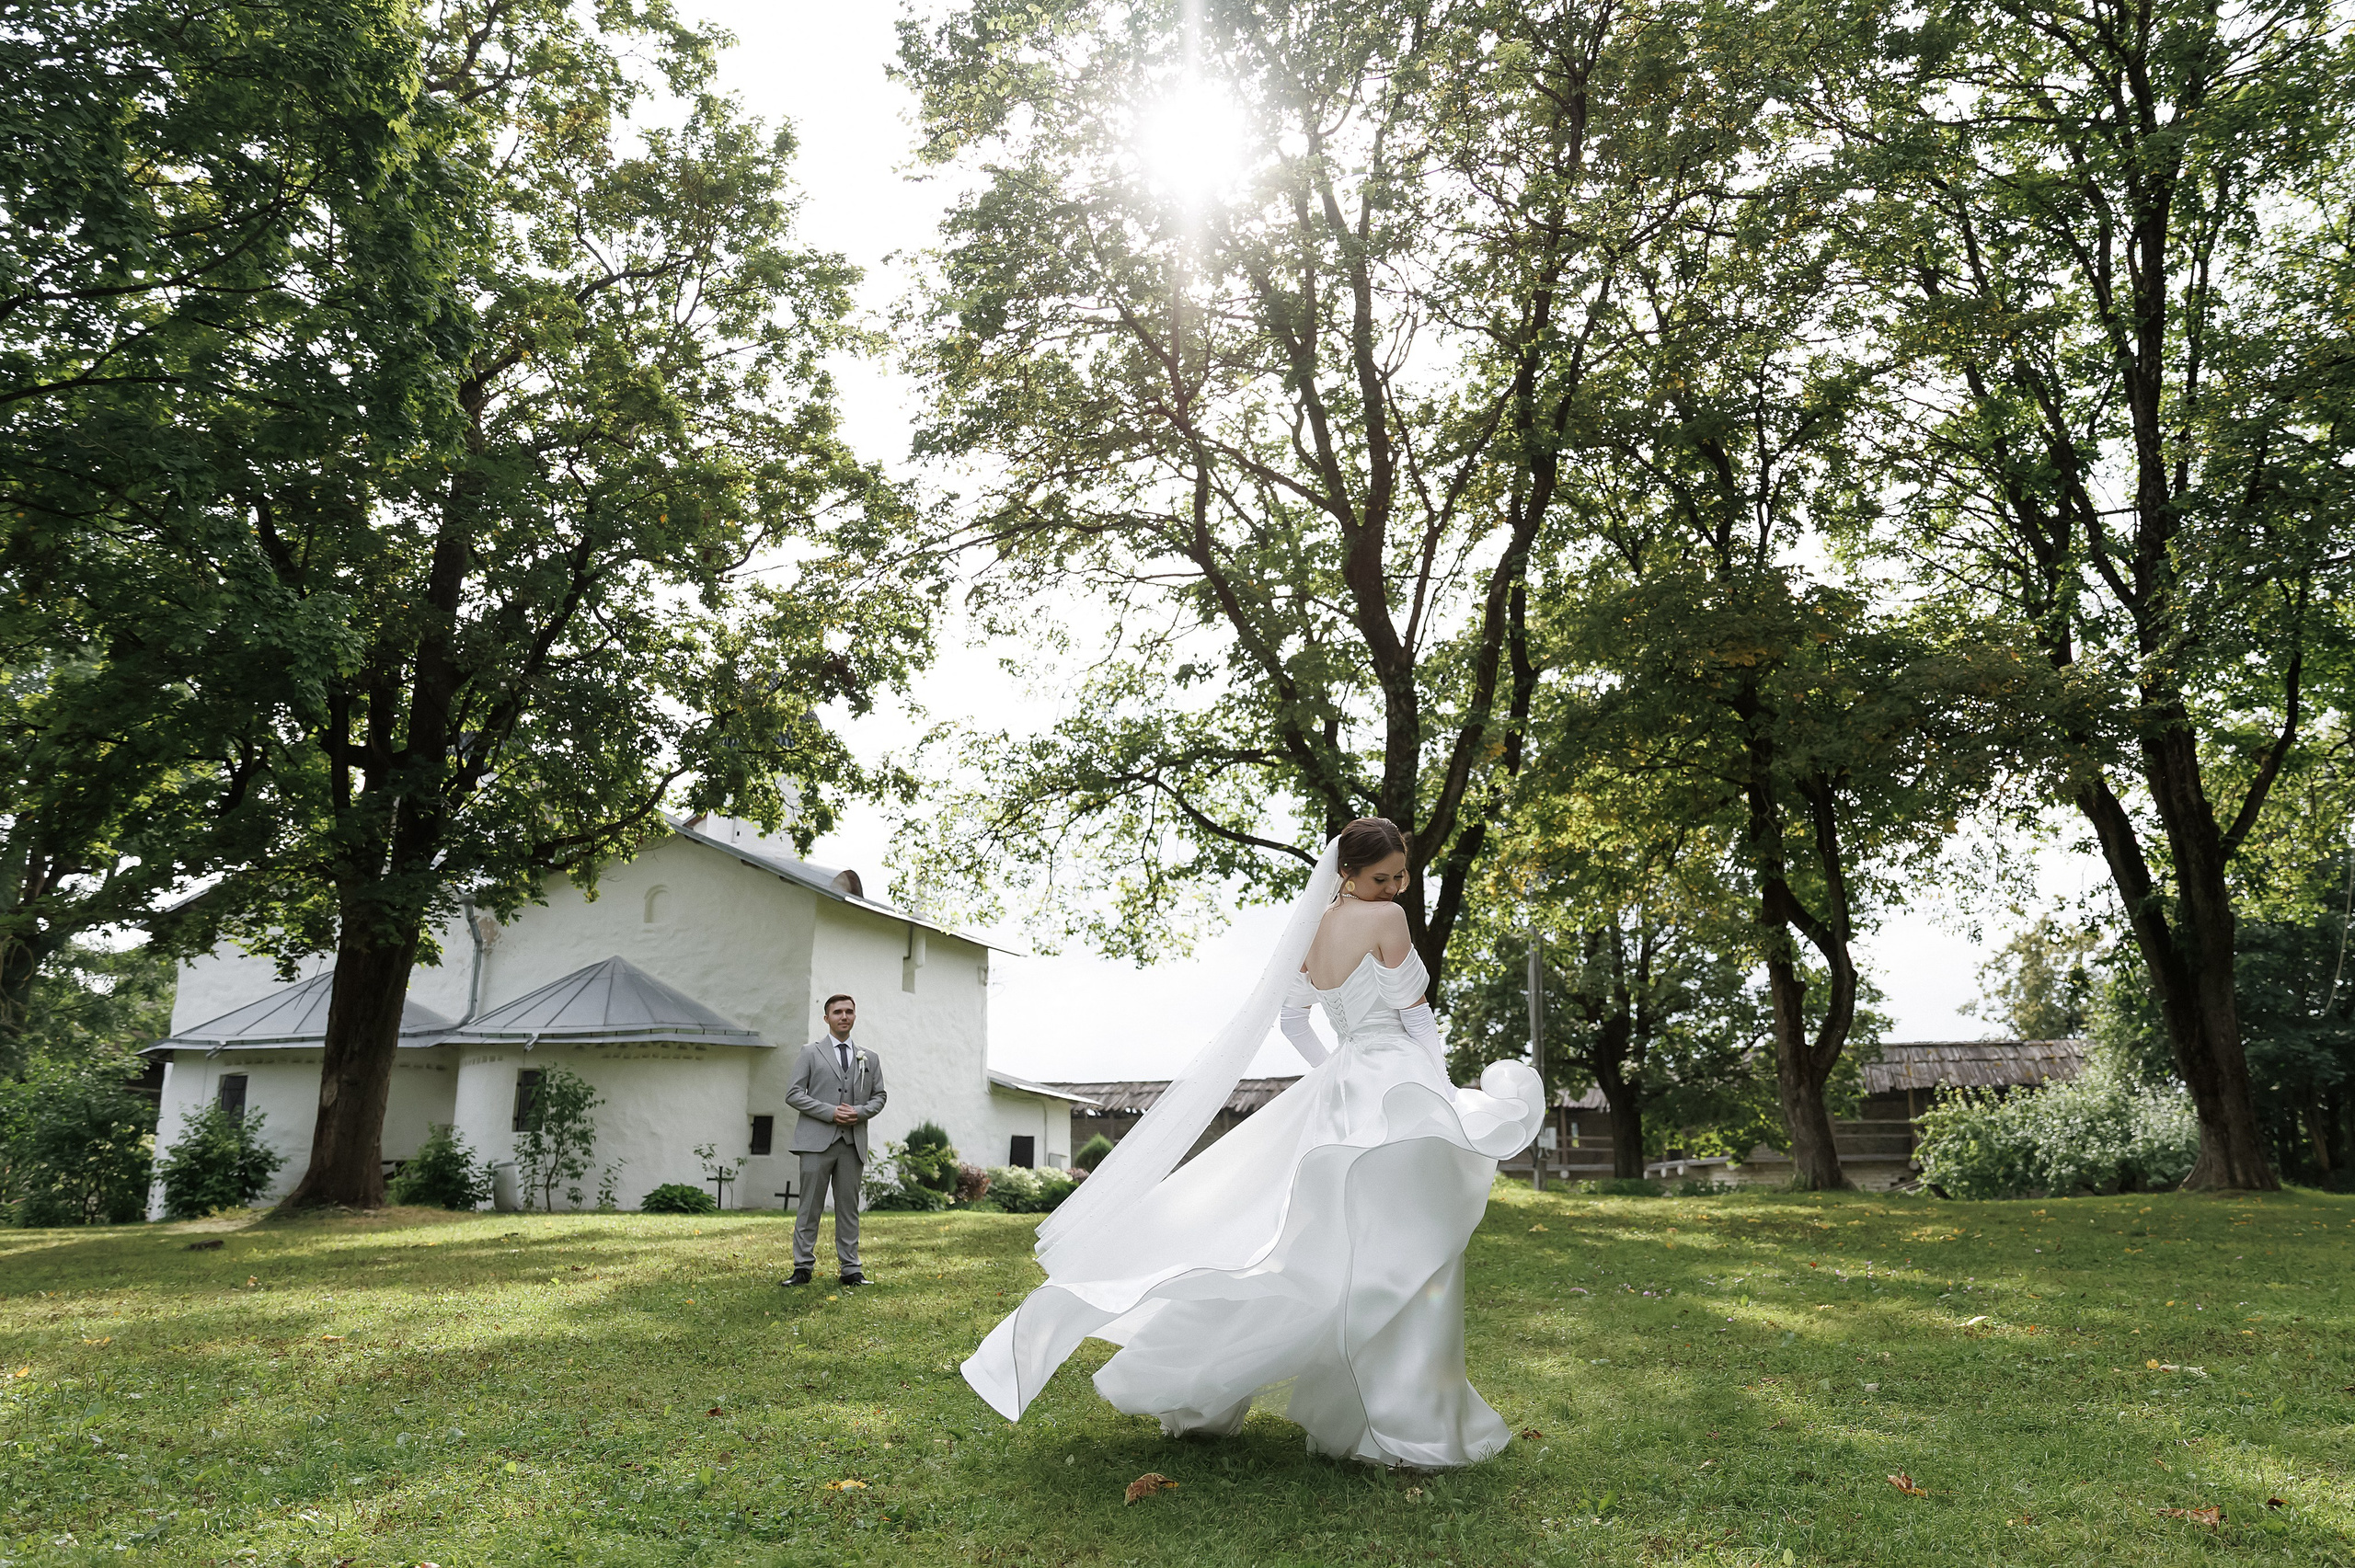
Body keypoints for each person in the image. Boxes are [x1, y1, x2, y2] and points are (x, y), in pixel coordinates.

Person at [960, 818, 1544, 1468]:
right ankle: (1405, 1418)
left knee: (1315, 1249)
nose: (1396, 887)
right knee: (1408, 1250)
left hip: (1344, 1089)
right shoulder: (1387, 922)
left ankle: (1304, 1397)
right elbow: (1415, 1016)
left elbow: (1294, 1017)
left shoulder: (1312, 928)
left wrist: (1333, 1066)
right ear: (1348, 873)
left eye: (1402, 875)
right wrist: (1438, 1094)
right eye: (1383, 877)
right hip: (1396, 1087)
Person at [781, 992, 887, 1288]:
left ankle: (851, 1269)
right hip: (815, 1143)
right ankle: (802, 1267)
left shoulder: (870, 1057)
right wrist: (830, 1112)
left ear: (854, 1016)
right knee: (809, 1207)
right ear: (826, 1018)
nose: (844, 1016)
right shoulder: (810, 1053)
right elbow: (794, 1094)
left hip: (852, 1144)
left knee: (848, 1208)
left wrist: (859, 1112)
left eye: (849, 1012)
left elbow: (880, 1096)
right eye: (838, 1012)